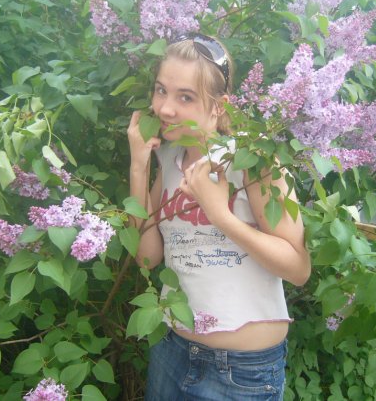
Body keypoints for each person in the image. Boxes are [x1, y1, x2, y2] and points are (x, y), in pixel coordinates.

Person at [127, 33, 311, 401]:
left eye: (186, 97)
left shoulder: (252, 161)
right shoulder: (169, 157)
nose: (165, 109)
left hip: (241, 372)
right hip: (171, 350)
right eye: (161, 90)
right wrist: (138, 166)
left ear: (219, 106)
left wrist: (220, 215)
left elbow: (298, 269)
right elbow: (147, 258)